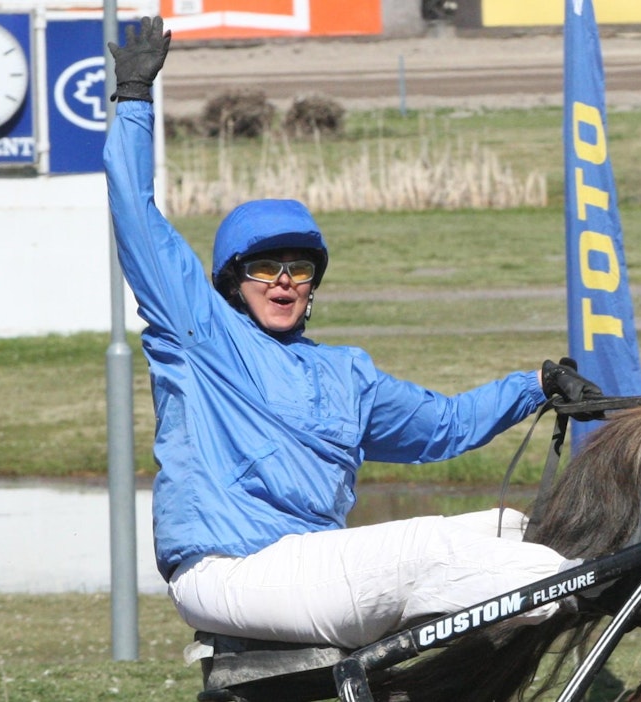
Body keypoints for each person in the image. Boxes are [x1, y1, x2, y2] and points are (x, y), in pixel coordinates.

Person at [104, 17, 603, 650]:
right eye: (265, 268)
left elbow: (443, 425)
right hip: (227, 570)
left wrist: (535, 385)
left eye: (299, 269)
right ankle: (604, 587)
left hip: (315, 568)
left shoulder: (346, 374)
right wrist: (134, 100)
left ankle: (588, 586)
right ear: (233, 281)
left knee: (509, 529)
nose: (284, 283)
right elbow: (135, 212)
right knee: (428, 548)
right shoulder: (199, 332)